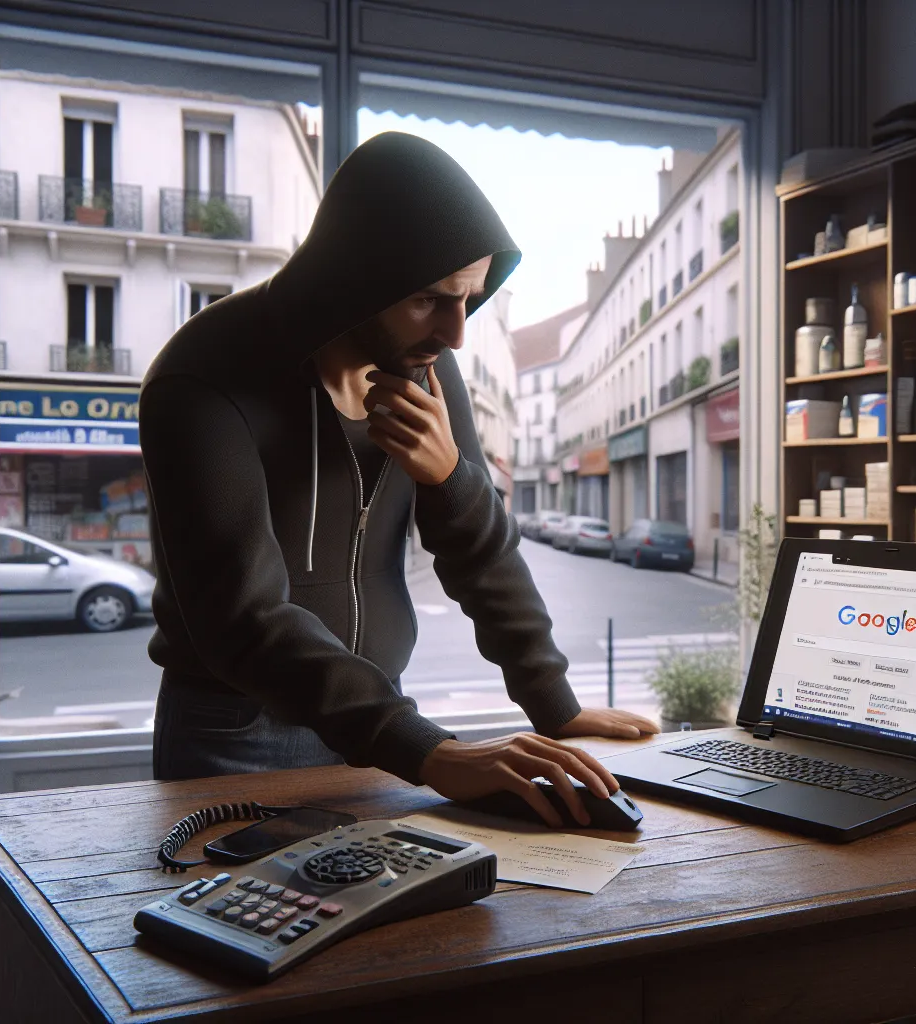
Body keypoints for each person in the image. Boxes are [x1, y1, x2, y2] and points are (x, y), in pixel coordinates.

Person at [140, 132, 657, 827]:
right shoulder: (204, 376)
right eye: (429, 299)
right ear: (357, 277)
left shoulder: (429, 371)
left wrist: (554, 706)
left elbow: (482, 552)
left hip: (380, 720)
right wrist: (430, 752)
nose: (456, 333)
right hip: (239, 734)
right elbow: (243, 619)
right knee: (252, 931)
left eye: (469, 299)